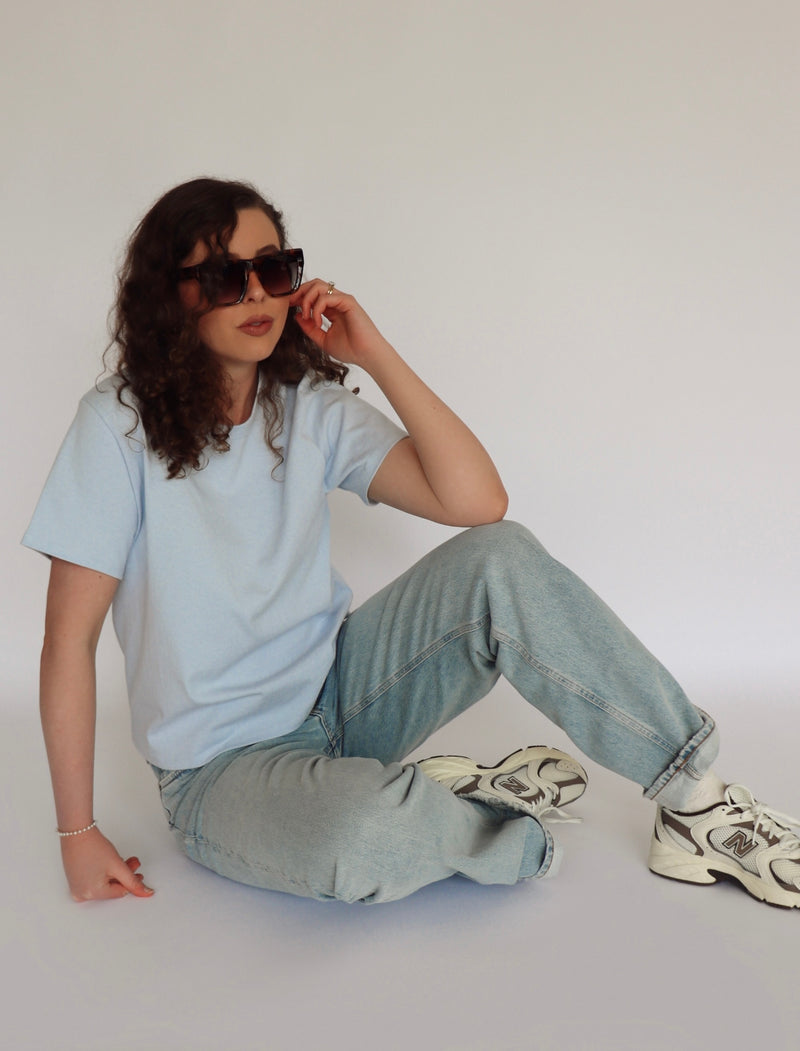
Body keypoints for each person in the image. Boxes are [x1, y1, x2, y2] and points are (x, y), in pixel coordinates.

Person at [24, 177, 799, 909]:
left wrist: (374, 354)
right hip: (221, 770)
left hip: (341, 694)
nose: (257, 293)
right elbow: (68, 640)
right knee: (361, 835)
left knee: (503, 555)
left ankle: (696, 806)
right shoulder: (117, 427)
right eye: (227, 278)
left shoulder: (306, 404)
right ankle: (469, 815)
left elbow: (477, 501)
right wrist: (76, 831)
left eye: (274, 268)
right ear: (173, 297)